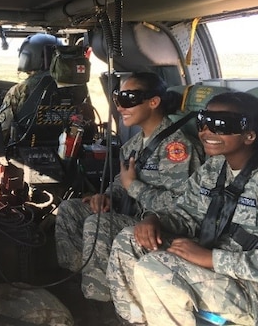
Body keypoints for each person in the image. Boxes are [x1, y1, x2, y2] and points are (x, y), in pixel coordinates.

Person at [107, 91, 258, 325]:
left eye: (220, 124)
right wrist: (155, 220)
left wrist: (212, 259)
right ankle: (138, 321)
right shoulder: (215, 167)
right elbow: (187, 214)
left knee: (155, 268)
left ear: (249, 135)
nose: (206, 131)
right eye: (203, 122)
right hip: (212, 259)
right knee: (129, 239)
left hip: (255, 289)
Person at [55, 72, 204, 301]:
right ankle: (78, 280)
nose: (120, 107)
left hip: (161, 225)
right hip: (131, 212)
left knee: (99, 223)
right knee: (69, 209)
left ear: (153, 102)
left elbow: (181, 203)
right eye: (117, 99)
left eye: (128, 98)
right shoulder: (133, 145)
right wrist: (106, 196)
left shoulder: (176, 147)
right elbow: (120, 181)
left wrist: (134, 186)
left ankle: (102, 300)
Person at [0, 33, 95, 144]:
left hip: (25, 151)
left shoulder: (21, 89)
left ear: (28, 57)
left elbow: (1, 131)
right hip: (70, 153)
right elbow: (90, 123)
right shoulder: (79, 87)